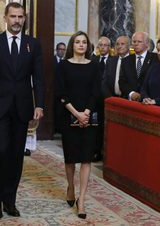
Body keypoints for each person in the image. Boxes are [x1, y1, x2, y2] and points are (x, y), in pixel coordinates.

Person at [0, 2, 44, 218]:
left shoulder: (32, 44)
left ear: (24, 19)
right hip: (0, 107)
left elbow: (39, 78)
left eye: (20, 17)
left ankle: (9, 201)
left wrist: (39, 104)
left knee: (16, 156)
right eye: (13, 16)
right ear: (5, 18)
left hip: (22, 108)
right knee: (1, 152)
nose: (17, 21)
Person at [56, 31, 100, 219]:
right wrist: (76, 114)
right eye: (77, 42)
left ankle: (81, 199)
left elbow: (96, 91)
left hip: (89, 117)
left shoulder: (94, 66)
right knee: (71, 158)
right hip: (69, 114)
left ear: (88, 46)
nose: (81, 45)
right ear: (72, 45)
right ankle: (71, 187)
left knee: (86, 158)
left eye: (84, 42)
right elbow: (61, 92)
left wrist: (86, 114)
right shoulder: (63, 66)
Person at [119, 31, 158, 101]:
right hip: (130, 100)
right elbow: (122, 81)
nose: (136, 44)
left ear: (147, 44)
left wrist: (143, 96)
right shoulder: (126, 60)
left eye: (139, 41)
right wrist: (132, 93)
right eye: (134, 42)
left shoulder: (155, 59)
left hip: (149, 100)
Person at [53, 42, 66, 135]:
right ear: (56, 50)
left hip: (62, 91)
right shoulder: (51, 60)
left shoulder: (66, 62)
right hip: (52, 90)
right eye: (60, 49)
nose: (61, 51)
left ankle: (60, 129)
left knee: (61, 111)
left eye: (63, 49)